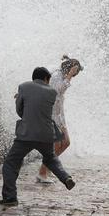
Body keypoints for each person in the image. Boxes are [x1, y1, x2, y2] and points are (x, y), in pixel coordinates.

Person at [0, 67, 76, 207]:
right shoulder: (52, 92)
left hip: (26, 134)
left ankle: (10, 197)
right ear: (46, 79)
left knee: (11, 163)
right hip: (46, 135)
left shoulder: (23, 87)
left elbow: (19, 110)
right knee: (51, 158)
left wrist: (26, 113)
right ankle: (66, 178)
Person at [36, 56, 83, 184]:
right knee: (56, 145)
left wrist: (69, 70)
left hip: (59, 115)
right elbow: (58, 91)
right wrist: (69, 75)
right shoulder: (57, 75)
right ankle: (42, 172)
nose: (74, 76)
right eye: (75, 73)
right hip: (52, 115)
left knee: (66, 142)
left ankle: (47, 168)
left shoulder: (61, 74)